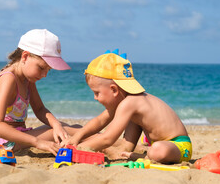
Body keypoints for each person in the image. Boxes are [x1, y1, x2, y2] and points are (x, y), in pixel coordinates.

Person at [61, 50, 192, 164]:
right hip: (161, 145)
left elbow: (108, 138)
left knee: (157, 150)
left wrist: (80, 148)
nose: (95, 97)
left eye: (97, 93)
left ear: (114, 90)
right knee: (127, 149)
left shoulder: (130, 102)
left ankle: (145, 155)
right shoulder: (128, 101)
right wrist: (76, 137)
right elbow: (100, 121)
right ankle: (137, 154)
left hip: (179, 146)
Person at [0, 29, 78, 156]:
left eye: (48, 70)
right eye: (41, 68)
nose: (44, 75)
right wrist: (37, 142)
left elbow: (39, 109)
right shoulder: (8, 79)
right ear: (25, 56)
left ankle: (104, 140)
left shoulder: (27, 79)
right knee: (67, 131)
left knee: (65, 128)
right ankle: (106, 142)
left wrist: (56, 124)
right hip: (3, 143)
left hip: (21, 135)